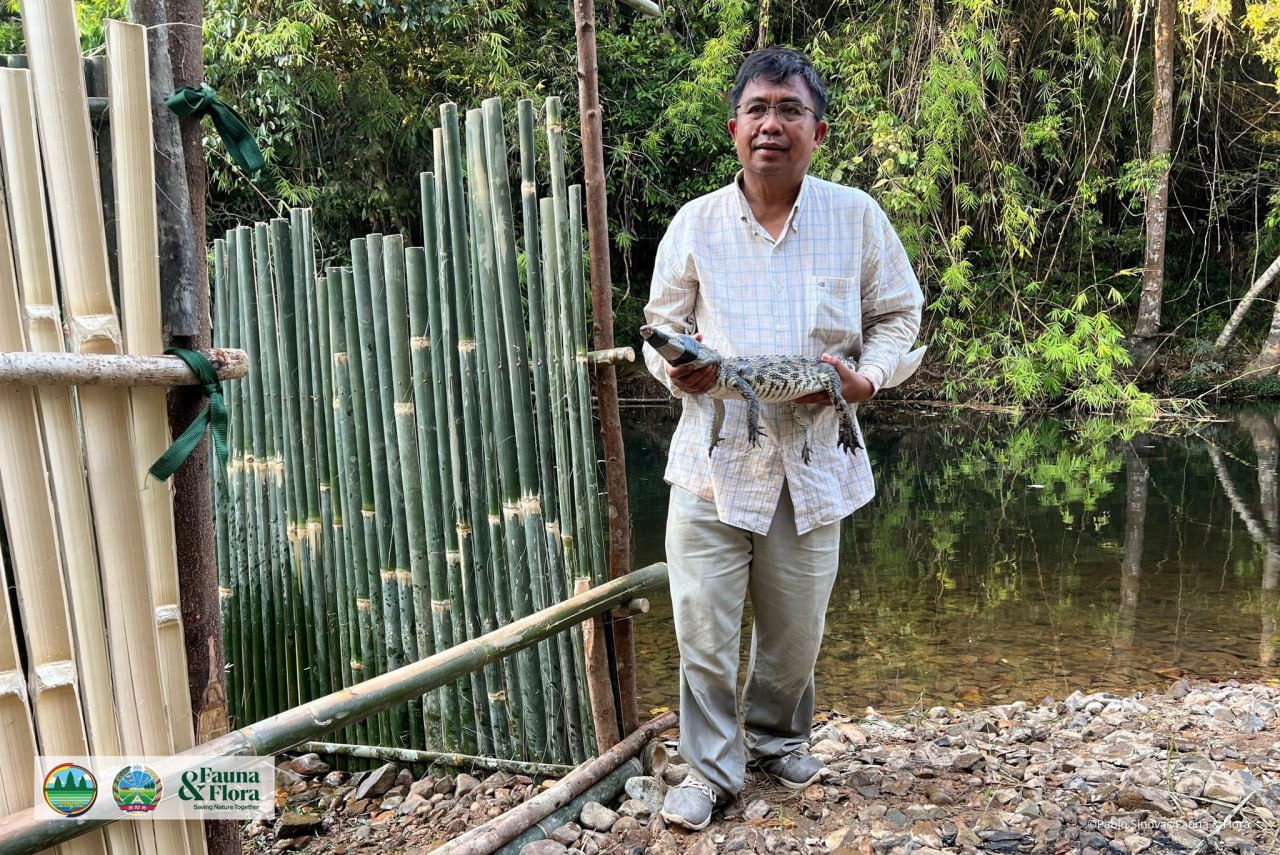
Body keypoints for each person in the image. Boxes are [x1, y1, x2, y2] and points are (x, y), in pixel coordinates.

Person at [643, 47, 924, 831]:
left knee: (795, 631)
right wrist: (676, 369)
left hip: (813, 454)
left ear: (818, 130)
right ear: (733, 127)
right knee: (703, 626)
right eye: (758, 109)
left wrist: (868, 375)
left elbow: (902, 313)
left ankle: (776, 738)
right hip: (712, 459)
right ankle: (708, 769)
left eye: (789, 110)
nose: (772, 124)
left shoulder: (857, 215)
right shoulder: (695, 222)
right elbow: (660, 326)